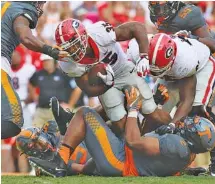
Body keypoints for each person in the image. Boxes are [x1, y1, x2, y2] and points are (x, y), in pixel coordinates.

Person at [28, 86, 215, 177]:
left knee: (86, 113)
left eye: (193, 125)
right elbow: (149, 137)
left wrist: (134, 108)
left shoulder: (177, 145)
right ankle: (54, 167)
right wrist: (155, 101)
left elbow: (134, 141)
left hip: (120, 160)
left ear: (194, 138)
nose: (188, 122)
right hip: (127, 161)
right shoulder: (186, 152)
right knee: (82, 169)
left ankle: (59, 160)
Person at [52, 18, 171, 138]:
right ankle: (137, 150)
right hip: (105, 85)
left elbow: (137, 27)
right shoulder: (67, 63)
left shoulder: (99, 33)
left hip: (124, 70)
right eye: (67, 48)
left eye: (74, 44)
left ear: (84, 36)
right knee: (122, 125)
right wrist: (104, 86)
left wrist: (144, 56)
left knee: (152, 113)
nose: (72, 51)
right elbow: (87, 88)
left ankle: (177, 128)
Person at [147, 33, 215, 175]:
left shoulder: (185, 61)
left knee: (197, 115)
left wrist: (172, 124)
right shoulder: (139, 48)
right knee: (155, 112)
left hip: (201, 68)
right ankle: (164, 162)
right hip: (169, 68)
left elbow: (187, 101)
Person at [1, 1, 69, 139]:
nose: (41, 7)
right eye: (40, 2)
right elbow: (25, 37)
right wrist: (49, 50)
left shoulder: (4, 6)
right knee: (14, 120)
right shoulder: (19, 9)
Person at [16, 120, 93, 176]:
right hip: (94, 158)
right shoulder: (50, 163)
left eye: (39, 141)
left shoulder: (52, 128)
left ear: (42, 132)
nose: (40, 146)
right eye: (35, 147)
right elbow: (83, 169)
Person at [27, 54, 79, 128]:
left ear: (53, 61)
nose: (46, 63)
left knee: (57, 135)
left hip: (57, 110)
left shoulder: (63, 74)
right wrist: (34, 96)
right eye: (44, 61)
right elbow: (31, 84)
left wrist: (70, 105)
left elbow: (77, 89)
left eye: (48, 61)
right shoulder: (38, 74)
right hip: (41, 109)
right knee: (34, 133)